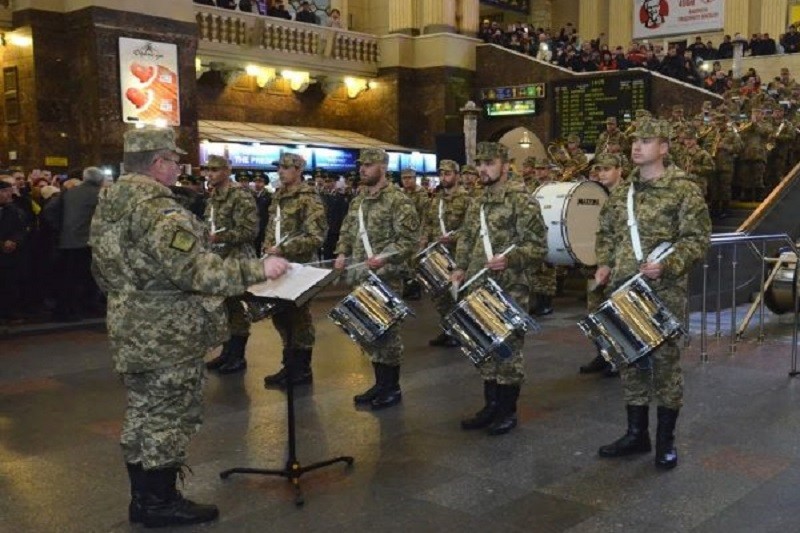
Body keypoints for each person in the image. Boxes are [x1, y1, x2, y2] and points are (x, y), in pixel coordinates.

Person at [89, 127, 289, 527]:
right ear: (158, 163)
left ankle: (143, 498)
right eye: (175, 160)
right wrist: (258, 269)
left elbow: (99, 270)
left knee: (143, 410)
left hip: (130, 325)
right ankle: (160, 503)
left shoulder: (110, 205)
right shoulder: (159, 212)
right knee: (170, 414)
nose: (179, 167)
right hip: (168, 333)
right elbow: (195, 271)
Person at [594, 118, 711, 470]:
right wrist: (603, 264)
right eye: (635, 140)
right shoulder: (623, 191)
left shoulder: (683, 190)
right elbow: (608, 234)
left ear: (664, 147)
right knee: (631, 362)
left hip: (663, 293)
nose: (636, 146)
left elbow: (696, 240)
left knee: (665, 367)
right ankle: (636, 433)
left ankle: (665, 441)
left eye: (646, 140)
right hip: (624, 291)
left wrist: (669, 265)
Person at [451, 142, 547, 436]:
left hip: (509, 288)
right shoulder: (477, 201)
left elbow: (537, 248)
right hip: (478, 286)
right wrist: (460, 267)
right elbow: (467, 238)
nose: (482, 169)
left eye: (489, 163)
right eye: (479, 163)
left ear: (505, 165)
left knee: (506, 352)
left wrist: (510, 259)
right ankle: (490, 406)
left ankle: (507, 411)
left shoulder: (522, 201)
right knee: (484, 349)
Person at [334, 148, 419, 410]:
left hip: (386, 277)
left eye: (369, 165)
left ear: (383, 166)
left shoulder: (398, 200)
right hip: (361, 276)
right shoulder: (358, 200)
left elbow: (407, 241)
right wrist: (341, 251)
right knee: (370, 332)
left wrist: (385, 257)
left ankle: (391, 387)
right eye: (362, 165)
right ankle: (379, 383)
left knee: (387, 335)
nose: (363, 169)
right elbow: (347, 230)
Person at [262, 153, 327, 388]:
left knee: (299, 318)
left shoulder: (308, 198)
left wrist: (285, 248)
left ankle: (302, 369)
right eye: (279, 167)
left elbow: (316, 236)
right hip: (277, 265)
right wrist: (267, 250)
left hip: (299, 267)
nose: (281, 171)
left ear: (299, 170)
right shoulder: (279, 196)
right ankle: (288, 365)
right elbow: (273, 229)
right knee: (281, 317)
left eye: (286, 167)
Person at [203, 155, 260, 375]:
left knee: (237, 309)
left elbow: (249, 231)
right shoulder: (213, 197)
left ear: (228, 171)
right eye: (208, 169)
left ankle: (238, 356)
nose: (210, 174)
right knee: (224, 308)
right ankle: (228, 352)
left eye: (215, 169)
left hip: (237, 259)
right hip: (218, 260)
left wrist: (218, 237)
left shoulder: (239, 196)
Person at [579, 153, 626, 377]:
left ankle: (618, 358)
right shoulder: (599, 194)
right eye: (599, 169)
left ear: (619, 170)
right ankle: (603, 354)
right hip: (599, 263)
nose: (601, 173)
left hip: (619, 265)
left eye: (607, 169)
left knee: (615, 313)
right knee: (594, 311)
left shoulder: (627, 195)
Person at [422, 159, 471, 348]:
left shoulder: (466, 199)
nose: (444, 177)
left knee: (457, 294)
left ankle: (459, 332)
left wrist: (455, 237)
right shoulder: (436, 200)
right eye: (441, 174)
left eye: (448, 174)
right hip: (439, 254)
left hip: (457, 254)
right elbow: (428, 223)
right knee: (441, 295)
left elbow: (471, 228)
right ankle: (447, 328)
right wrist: (424, 240)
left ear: (457, 176)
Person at [54, 166, 105, 320]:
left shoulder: (70, 193)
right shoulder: (99, 195)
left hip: (66, 240)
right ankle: (82, 308)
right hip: (85, 242)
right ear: (100, 180)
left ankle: (65, 309)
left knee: (68, 278)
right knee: (87, 278)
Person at [399, 167, 429, 300]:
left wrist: (423, 236)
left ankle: (415, 289)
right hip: (402, 234)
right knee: (404, 262)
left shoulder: (421, 194)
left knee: (415, 263)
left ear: (414, 178)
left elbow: (425, 216)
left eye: (409, 178)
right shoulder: (400, 194)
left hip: (416, 234)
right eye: (404, 178)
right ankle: (406, 287)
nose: (406, 181)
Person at [252, 174, 272, 253]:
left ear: (265, 183)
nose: (257, 184)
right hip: (252, 227)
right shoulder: (250, 195)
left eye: (260, 182)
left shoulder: (269, 196)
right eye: (256, 181)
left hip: (263, 227)